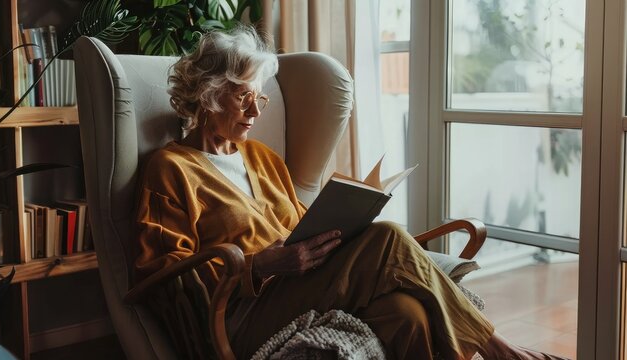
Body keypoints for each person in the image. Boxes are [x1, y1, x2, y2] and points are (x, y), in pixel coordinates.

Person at [134, 25, 569, 360]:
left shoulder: (263, 159)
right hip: (237, 317)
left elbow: (299, 228)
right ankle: (501, 349)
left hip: (302, 291)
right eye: (242, 96)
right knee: (388, 237)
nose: (255, 110)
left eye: (260, 98)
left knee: (408, 314)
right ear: (209, 95)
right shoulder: (169, 169)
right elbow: (167, 279)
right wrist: (259, 266)